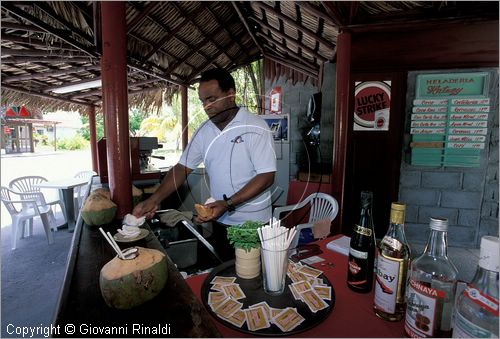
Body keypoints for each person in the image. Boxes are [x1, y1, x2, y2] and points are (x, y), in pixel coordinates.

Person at [133, 68, 276, 261]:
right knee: (226, 277)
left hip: (253, 224)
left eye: (212, 99)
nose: (207, 106)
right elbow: (182, 168)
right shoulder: (204, 132)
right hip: (220, 220)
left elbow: (266, 176)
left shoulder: (255, 126)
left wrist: (228, 203)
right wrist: (155, 199)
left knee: (252, 278)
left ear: (231, 95)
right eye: (203, 101)